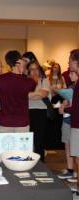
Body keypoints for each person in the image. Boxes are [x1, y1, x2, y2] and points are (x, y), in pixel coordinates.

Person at [0, 50, 36, 133]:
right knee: (23, 146)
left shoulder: (0, 79)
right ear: (19, 61)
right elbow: (34, 82)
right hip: (22, 123)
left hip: (4, 122)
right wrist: (24, 69)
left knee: (6, 146)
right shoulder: (28, 81)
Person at [60, 49, 79, 194]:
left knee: (78, 157)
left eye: (70, 60)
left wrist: (65, 110)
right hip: (76, 124)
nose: (68, 63)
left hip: (77, 125)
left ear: (75, 62)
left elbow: (76, 108)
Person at [28, 60, 51, 162]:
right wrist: (37, 93)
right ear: (28, 71)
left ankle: (40, 164)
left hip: (41, 112)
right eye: (31, 69)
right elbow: (38, 94)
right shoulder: (25, 81)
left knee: (39, 141)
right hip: (27, 112)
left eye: (36, 69)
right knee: (28, 140)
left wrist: (29, 95)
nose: (34, 72)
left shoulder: (44, 81)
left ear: (39, 70)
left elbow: (43, 94)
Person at [58, 71, 78, 181]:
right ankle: (71, 170)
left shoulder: (77, 87)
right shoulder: (71, 86)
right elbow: (66, 100)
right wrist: (63, 104)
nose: (69, 75)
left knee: (76, 148)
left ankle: (76, 172)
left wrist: (65, 108)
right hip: (67, 119)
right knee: (68, 144)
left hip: (75, 120)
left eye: (72, 73)